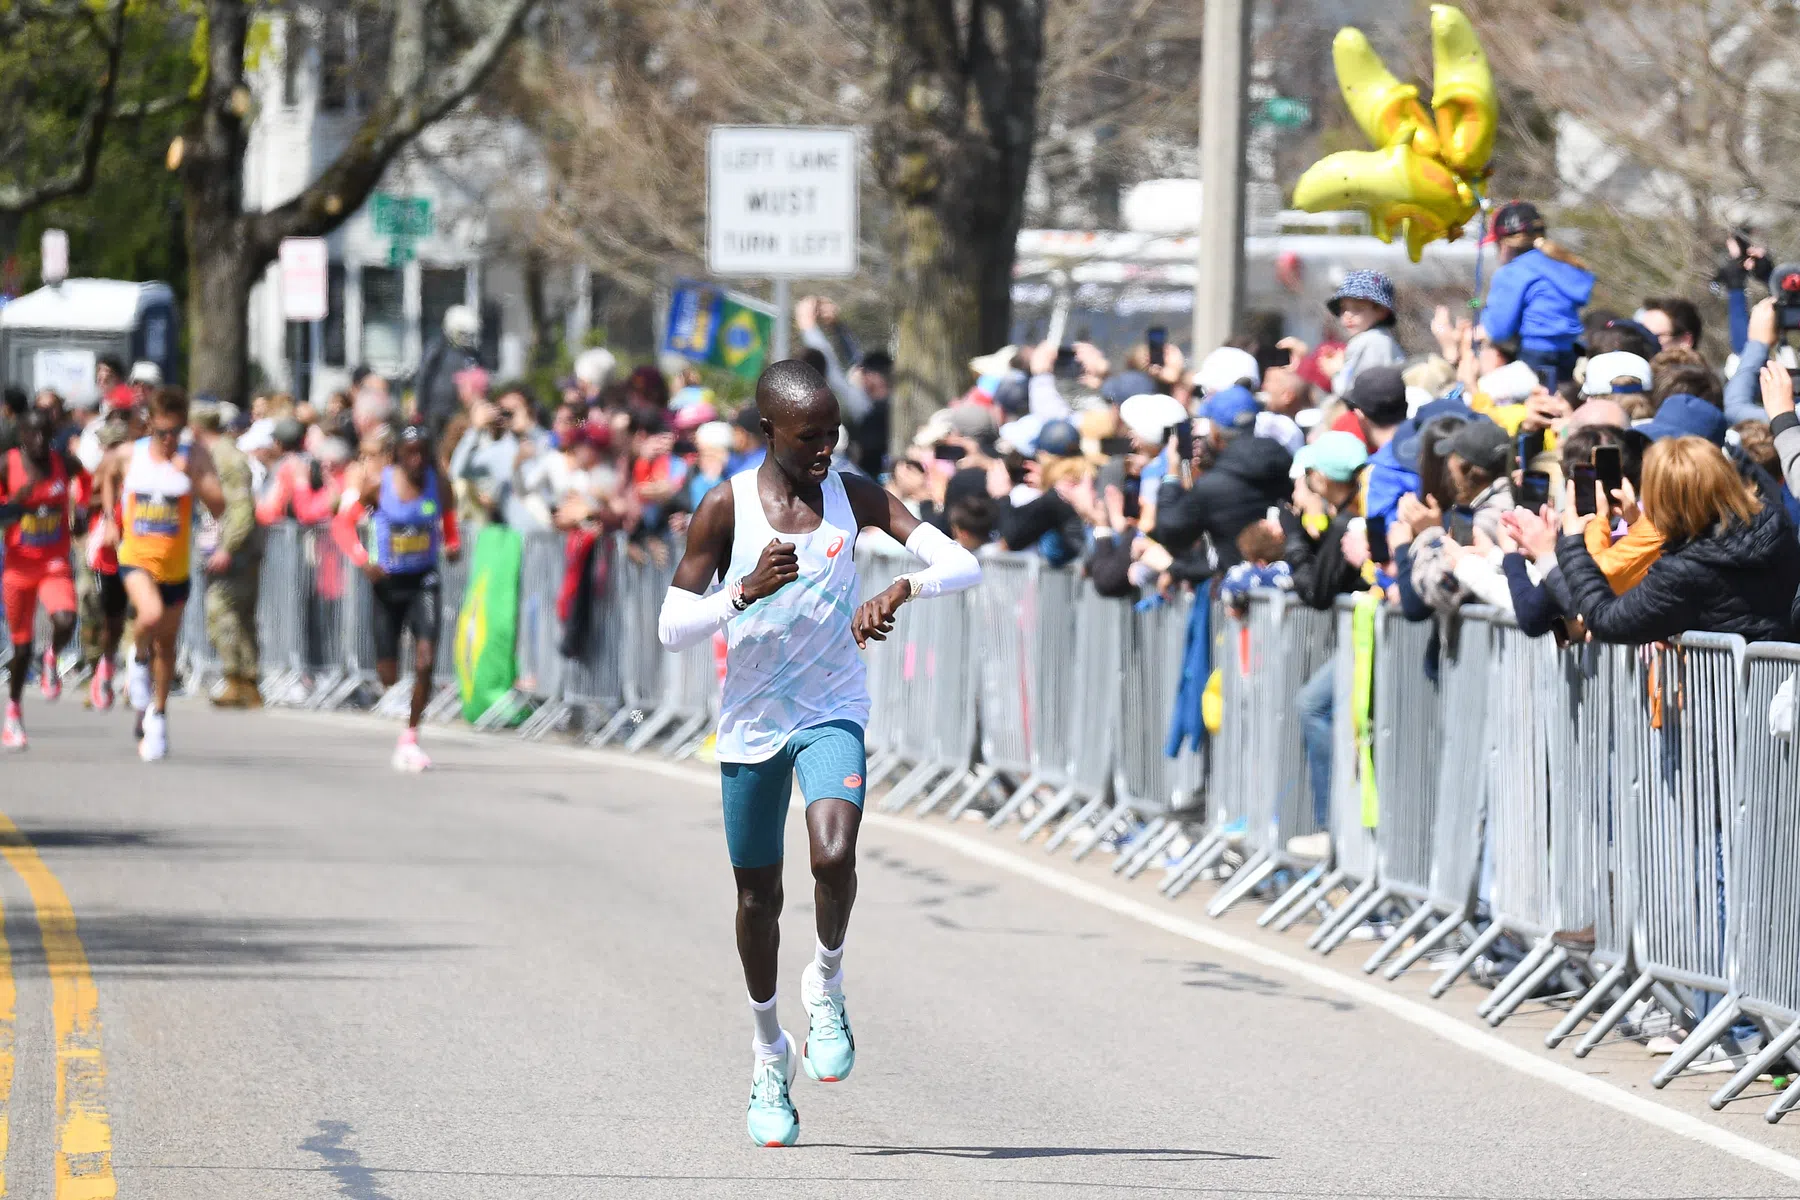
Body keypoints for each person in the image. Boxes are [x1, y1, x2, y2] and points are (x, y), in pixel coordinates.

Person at [656, 360, 981, 1148]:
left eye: (834, 434)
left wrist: (902, 589)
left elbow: (962, 564)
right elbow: (671, 626)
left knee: (833, 855)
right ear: (769, 432)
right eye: (810, 438)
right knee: (757, 903)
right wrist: (742, 594)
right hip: (751, 725)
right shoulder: (722, 509)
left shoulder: (856, 496)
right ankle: (770, 1051)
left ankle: (827, 983)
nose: (826, 450)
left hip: (831, 707)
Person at [1557, 435, 1798, 642]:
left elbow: (1606, 620)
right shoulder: (1774, 522)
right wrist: (1636, 522)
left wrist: (1572, 543)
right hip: (1784, 683)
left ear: (1661, 498)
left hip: (1724, 692)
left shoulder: (1682, 571)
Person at [95, 388, 227, 761]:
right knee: (148, 615)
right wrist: (110, 519)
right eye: (163, 432)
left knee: (167, 646)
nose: (169, 440)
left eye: (176, 432)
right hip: (136, 557)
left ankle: (159, 714)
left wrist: (195, 479)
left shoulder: (195, 456)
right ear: (151, 425)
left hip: (175, 566)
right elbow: (105, 475)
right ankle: (136, 660)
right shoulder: (130, 455)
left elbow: (218, 506)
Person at [333, 425, 462, 771]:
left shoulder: (439, 483)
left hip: (424, 578)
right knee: (387, 673)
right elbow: (341, 526)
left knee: (425, 659)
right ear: (399, 456)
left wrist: (452, 542)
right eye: (410, 453)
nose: (417, 460)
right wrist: (363, 560)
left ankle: (410, 736)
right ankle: (396, 692)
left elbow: (447, 517)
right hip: (389, 583)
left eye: (423, 452)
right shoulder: (379, 486)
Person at [1282, 430, 1373, 858]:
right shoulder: (1346, 516)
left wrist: (1294, 537)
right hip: (1365, 639)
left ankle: (1332, 825)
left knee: (1313, 706)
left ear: (1320, 478)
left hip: (1372, 640)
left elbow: (1317, 592)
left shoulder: (1348, 520)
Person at [0, 410, 90, 748]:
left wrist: (79, 512)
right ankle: (13, 712)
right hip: (18, 568)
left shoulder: (63, 463)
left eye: (44, 434)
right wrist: (16, 503)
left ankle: (52, 655)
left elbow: (86, 481)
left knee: (66, 619)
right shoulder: (7, 465)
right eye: (32, 434)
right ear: (21, 434)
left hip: (53, 563)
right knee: (20, 650)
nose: (39, 441)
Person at [191, 400, 265, 708]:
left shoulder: (225, 457)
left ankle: (237, 678)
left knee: (221, 610)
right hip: (232, 546)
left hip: (237, 549)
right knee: (240, 616)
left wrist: (226, 548)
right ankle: (247, 682)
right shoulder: (213, 454)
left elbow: (241, 509)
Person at [1479, 201, 1594, 388]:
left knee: (1483, 391)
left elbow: (1499, 331)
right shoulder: (1565, 266)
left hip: (1534, 358)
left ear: (1504, 245)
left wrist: (1483, 326)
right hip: (1569, 357)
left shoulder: (1511, 272)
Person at [1319, 271, 1403, 396]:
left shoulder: (1370, 341)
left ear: (1382, 311)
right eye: (1343, 309)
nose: (1347, 315)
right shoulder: (1380, 338)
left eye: (1357, 308)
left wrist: (1336, 372)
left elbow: (1356, 395)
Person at [417, 305, 484, 439]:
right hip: (437, 410)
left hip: (461, 411)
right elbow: (423, 377)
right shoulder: (438, 348)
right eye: (462, 333)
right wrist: (420, 407)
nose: (466, 338)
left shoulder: (473, 354)